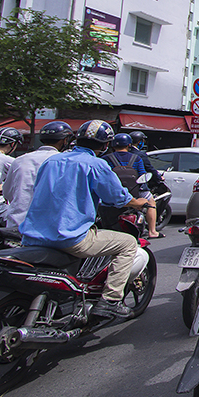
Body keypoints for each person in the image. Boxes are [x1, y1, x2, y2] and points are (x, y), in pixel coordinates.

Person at [19, 120, 155, 319]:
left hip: (33, 235)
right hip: (69, 237)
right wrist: (137, 203)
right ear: (105, 144)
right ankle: (111, 301)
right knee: (127, 243)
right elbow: (116, 197)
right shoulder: (96, 164)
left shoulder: (52, 161)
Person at [4, 121, 75, 230]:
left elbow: (8, 193)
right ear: (65, 140)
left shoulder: (20, 160)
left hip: (14, 224)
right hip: (43, 229)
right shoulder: (65, 162)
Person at [103, 133, 162, 238]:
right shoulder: (136, 158)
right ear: (129, 145)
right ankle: (152, 231)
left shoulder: (106, 159)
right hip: (135, 191)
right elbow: (142, 175)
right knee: (151, 202)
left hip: (113, 191)